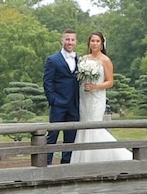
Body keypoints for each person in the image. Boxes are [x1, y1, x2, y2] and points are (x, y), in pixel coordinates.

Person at [71, 31, 130, 164]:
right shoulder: (83, 59)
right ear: (89, 43)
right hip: (84, 96)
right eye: (92, 41)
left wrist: (95, 86)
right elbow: (79, 78)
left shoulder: (105, 60)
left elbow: (110, 82)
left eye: (97, 41)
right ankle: (82, 160)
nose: (95, 43)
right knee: (83, 125)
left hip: (96, 97)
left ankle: (103, 158)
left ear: (102, 44)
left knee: (94, 126)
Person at [42, 29, 82, 164]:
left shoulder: (80, 60)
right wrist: (53, 100)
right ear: (62, 40)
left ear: (76, 42)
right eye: (67, 39)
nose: (70, 42)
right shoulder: (53, 60)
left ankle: (66, 165)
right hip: (58, 104)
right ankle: (45, 163)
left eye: (72, 40)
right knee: (52, 135)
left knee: (71, 137)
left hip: (74, 105)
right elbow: (47, 82)